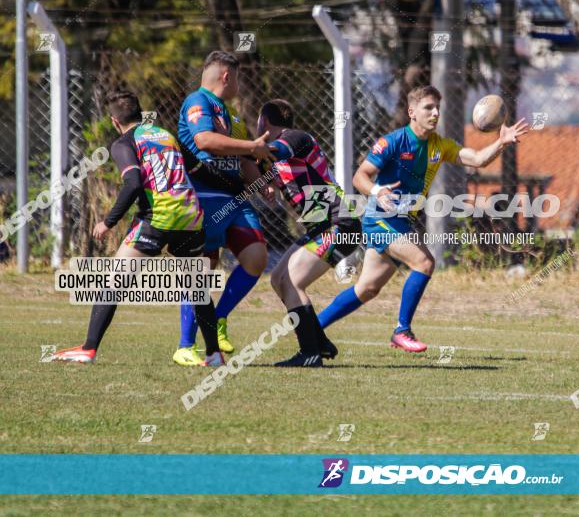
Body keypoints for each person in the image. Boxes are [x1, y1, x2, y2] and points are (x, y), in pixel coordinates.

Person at [317, 85, 529, 351]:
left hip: (401, 222)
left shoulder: (439, 146)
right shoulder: (393, 141)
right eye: (428, 107)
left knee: (367, 289)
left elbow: (476, 159)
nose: (435, 113)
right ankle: (401, 330)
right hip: (379, 218)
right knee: (424, 262)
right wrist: (377, 191)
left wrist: (501, 141)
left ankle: (311, 327)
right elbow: (360, 176)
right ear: (411, 112)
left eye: (437, 108)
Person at [52, 90, 243, 365]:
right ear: (141, 115)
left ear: (114, 121)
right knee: (196, 288)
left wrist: (108, 222)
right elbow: (201, 170)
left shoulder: (123, 143)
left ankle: (88, 348)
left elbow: (133, 183)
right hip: (190, 217)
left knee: (113, 281)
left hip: (157, 218)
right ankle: (214, 354)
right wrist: (238, 186)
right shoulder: (166, 136)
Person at [173, 51, 276, 366]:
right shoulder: (197, 101)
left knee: (257, 256)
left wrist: (262, 185)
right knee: (201, 273)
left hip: (234, 201)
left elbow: (245, 159)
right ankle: (186, 346)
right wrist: (252, 147)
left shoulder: (230, 115)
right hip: (203, 199)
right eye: (239, 77)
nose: (241, 84)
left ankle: (217, 319)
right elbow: (204, 141)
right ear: (227, 76)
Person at [255, 99, 361, 367]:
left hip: (342, 224)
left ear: (264, 122)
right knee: (278, 278)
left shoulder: (295, 138)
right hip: (322, 227)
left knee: (292, 281)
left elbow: (275, 152)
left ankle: (309, 353)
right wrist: (265, 184)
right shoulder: (278, 156)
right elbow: (273, 171)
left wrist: (234, 147)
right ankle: (319, 341)